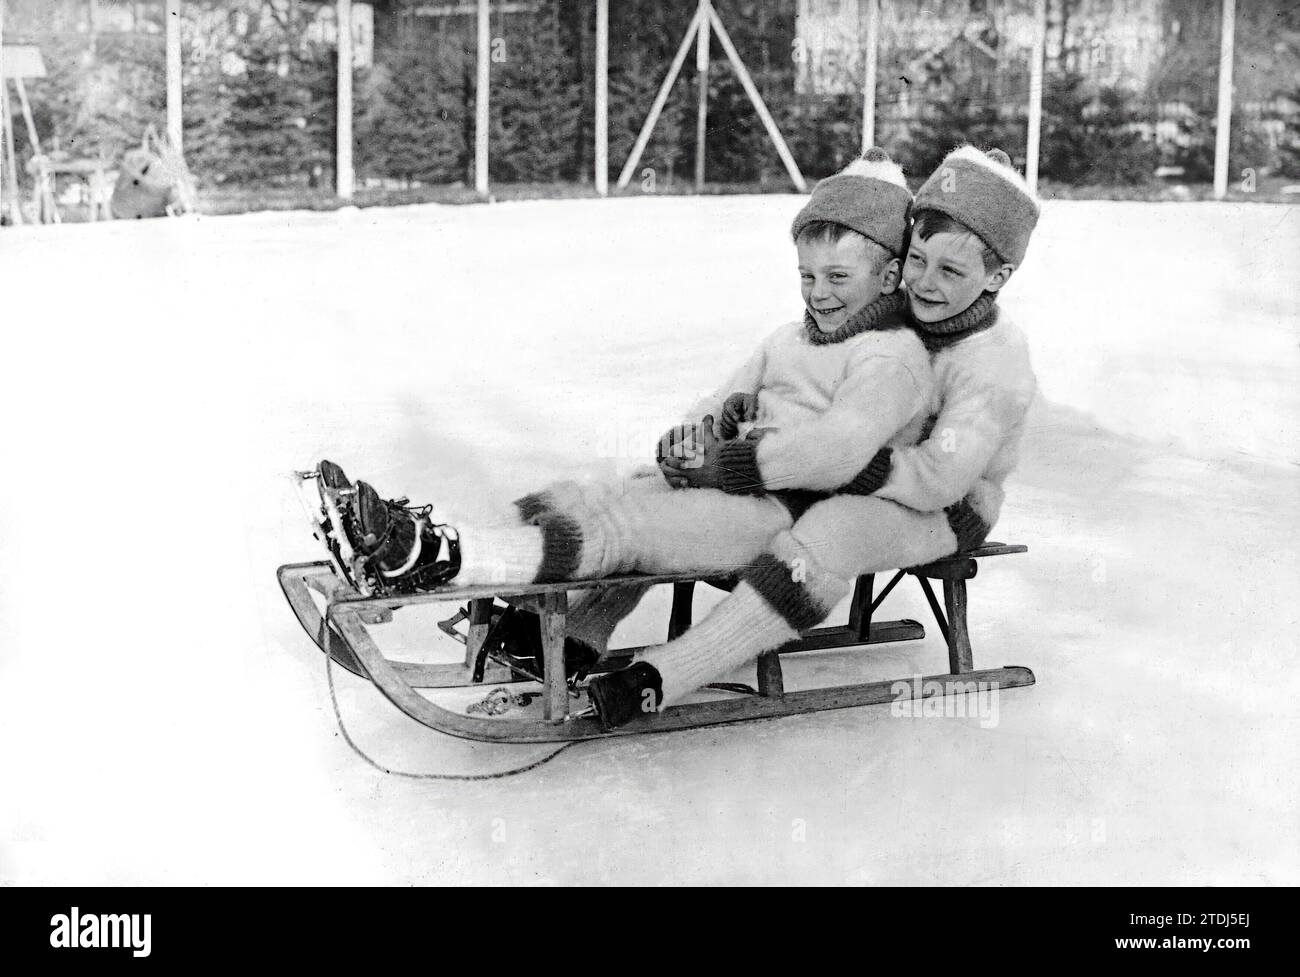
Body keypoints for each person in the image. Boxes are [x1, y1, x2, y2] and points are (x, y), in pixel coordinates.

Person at [305, 149, 937, 725]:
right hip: (735, 491)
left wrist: (729, 460)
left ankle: (433, 559)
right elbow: (718, 402)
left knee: (627, 528)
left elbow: (837, 452)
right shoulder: (787, 340)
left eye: (837, 278)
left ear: (888, 277)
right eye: (807, 276)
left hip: (792, 523)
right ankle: (454, 573)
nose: (817, 294)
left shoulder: (892, 359)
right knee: (601, 492)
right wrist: (692, 434)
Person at [581, 145, 1041, 727]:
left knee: (833, 531)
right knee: (674, 492)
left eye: (951, 271)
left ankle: (668, 674)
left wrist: (839, 464)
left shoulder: (995, 360)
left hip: (946, 504)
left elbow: (938, 478)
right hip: (853, 470)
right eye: (918, 259)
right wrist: (746, 423)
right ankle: (583, 627)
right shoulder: (893, 311)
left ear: (997, 276)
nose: (925, 283)